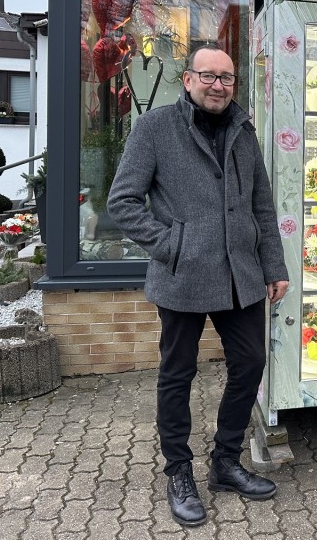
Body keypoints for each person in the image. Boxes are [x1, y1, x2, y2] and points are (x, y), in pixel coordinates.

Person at [107, 44, 289, 528]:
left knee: (250, 361)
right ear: (187, 80)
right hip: (183, 274)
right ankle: (179, 471)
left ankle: (226, 463)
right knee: (177, 374)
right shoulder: (155, 127)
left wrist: (275, 266)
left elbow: (262, 207)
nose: (218, 85)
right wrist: (172, 245)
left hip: (240, 275)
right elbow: (122, 202)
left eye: (227, 78)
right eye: (208, 76)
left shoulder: (244, 131)